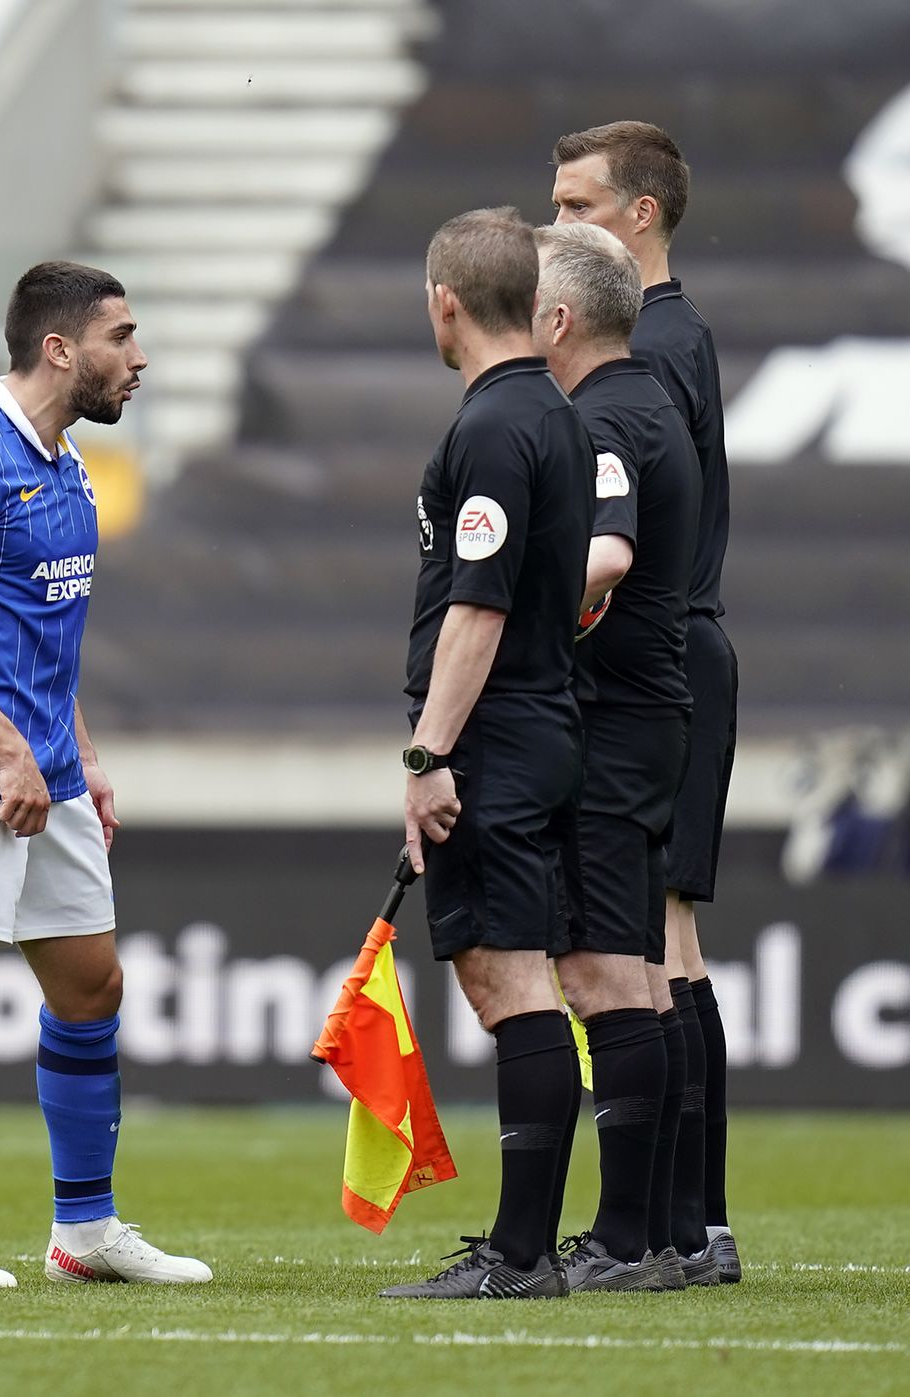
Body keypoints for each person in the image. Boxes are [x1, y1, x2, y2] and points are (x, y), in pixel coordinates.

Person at [0, 260, 211, 1289]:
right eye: (122, 336)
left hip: (48, 770)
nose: (138, 357)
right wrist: (9, 748)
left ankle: (86, 1230)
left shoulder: (64, 465)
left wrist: (80, 755)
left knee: (91, 983)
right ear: (61, 348)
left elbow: (35, 640)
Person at [379, 207, 593, 1302]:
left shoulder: (496, 427)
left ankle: (520, 1256)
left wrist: (429, 754)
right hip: (536, 722)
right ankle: (524, 1246)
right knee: (503, 972)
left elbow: (478, 608)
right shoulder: (550, 414)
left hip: (496, 734)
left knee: (509, 978)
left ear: (445, 304)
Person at [551, 120, 740, 1282]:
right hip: (681, 653)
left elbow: (625, 537)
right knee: (674, 942)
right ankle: (692, 1218)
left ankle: (679, 1221)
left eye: (575, 205)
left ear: (639, 216)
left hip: (652, 660)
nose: (555, 225)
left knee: (654, 945)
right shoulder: (681, 334)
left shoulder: (647, 355)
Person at [533, 223, 706, 1291]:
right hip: (651, 717)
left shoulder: (600, 416)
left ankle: (629, 1239)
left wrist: (504, 600)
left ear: (558, 320)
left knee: (605, 975)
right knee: (642, 973)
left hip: (612, 722)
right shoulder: (647, 403)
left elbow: (605, 553)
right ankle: (669, 1230)